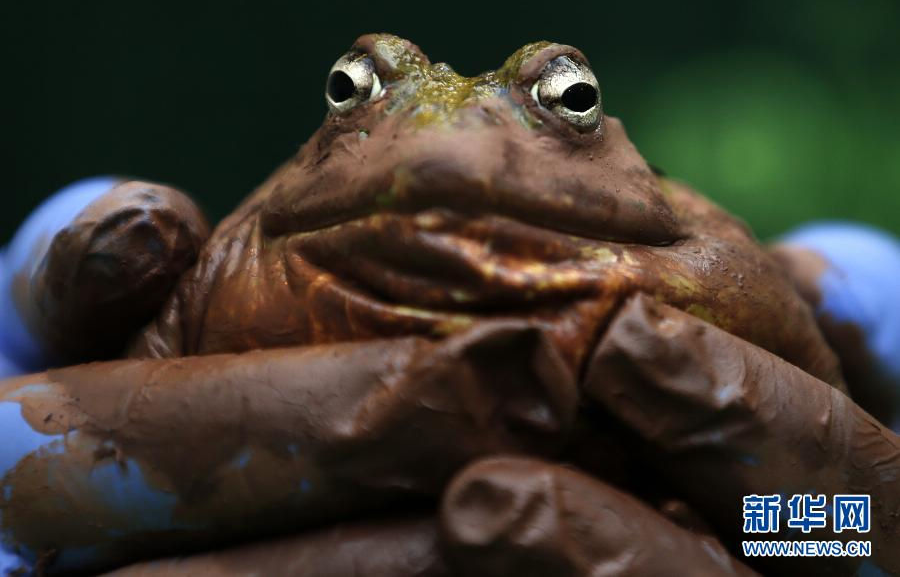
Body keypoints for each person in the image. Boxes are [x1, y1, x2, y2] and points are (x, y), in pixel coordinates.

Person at [2, 179, 900, 575]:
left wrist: (832, 539)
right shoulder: (235, 276)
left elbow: (771, 521)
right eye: (355, 93)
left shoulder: (721, 277)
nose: (448, 134)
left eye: (569, 99)